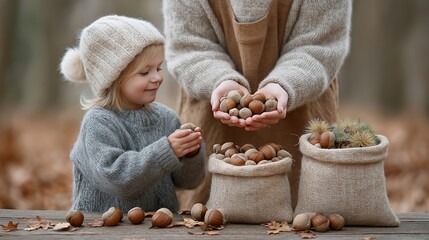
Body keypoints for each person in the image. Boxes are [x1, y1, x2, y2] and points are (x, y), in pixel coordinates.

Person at [163, 0, 352, 210]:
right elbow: (189, 46)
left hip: (303, 113)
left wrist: (284, 84)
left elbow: (319, 45)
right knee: (206, 216)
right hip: (211, 118)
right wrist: (221, 80)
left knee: (310, 213)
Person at [59, 15, 205, 213]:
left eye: (158, 68)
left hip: (159, 229)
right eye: (145, 72)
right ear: (114, 78)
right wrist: (167, 151)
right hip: (102, 229)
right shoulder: (98, 123)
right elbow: (118, 179)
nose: (157, 77)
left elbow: (189, 182)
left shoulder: (166, 118)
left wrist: (190, 154)